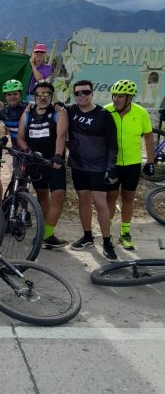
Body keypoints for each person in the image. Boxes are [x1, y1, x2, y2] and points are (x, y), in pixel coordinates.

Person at [66, 80, 119, 261]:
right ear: (74, 95)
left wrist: (111, 167)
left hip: (98, 167)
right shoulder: (70, 111)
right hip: (77, 165)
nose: (82, 96)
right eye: (78, 93)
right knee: (83, 200)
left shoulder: (103, 114)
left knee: (100, 202)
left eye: (85, 92)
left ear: (92, 94)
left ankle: (107, 242)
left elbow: (113, 143)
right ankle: (88, 236)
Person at [17, 80, 68, 249]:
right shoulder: (27, 113)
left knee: (59, 195)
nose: (43, 97)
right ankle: (47, 232)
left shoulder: (59, 112)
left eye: (46, 93)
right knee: (42, 196)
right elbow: (21, 137)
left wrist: (58, 156)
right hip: (35, 162)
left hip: (53, 162)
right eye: (39, 94)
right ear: (34, 96)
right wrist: (27, 151)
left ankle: (46, 235)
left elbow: (61, 135)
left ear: (51, 96)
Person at [105, 80, 155, 250]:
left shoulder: (141, 113)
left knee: (128, 198)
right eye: (115, 95)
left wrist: (150, 161)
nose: (116, 99)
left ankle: (125, 233)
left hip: (132, 164)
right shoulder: (106, 111)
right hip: (112, 164)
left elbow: (148, 137)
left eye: (121, 96)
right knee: (110, 198)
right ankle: (108, 233)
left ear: (130, 98)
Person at [0, 79, 28, 148]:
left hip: (32, 147)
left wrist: (58, 106)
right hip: (16, 150)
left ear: (20, 95)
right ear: (5, 97)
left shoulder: (30, 107)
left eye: (15, 94)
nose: (12, 97)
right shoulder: (3, 111)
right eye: (9, 94)